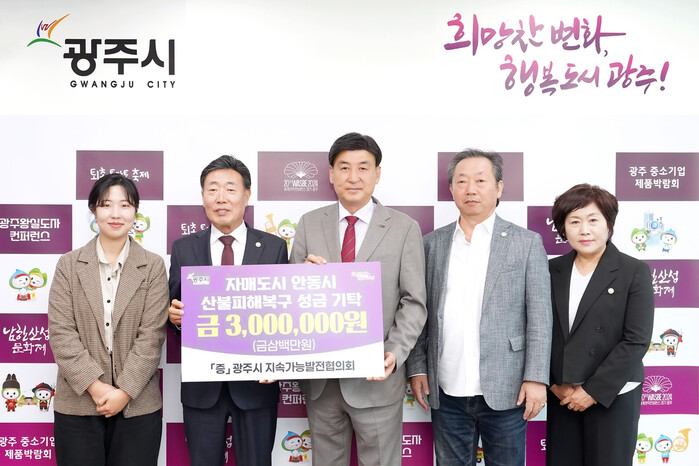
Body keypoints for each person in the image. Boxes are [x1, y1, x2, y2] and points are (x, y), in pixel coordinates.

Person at [406, 149, 552, 466]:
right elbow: (418, 311)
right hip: (446, 389)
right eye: (462, 181)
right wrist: (417, 367)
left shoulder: (526, 243)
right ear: (451, 189)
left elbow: (540, 318)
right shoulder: (431, 244)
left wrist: (536, 378)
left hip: (508, 388)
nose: (470, 189)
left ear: (498, 187)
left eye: (481, 180)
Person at [290, 132, 427, 465]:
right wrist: (303, 279)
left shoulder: (404, 228)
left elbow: (413, 301)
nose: (353, 177)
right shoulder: (309, 224)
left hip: (376, 379)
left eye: (363, 168)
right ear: (331, 174)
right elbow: (291, 297)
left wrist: (394, 352)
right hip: (322, 381)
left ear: (377, 173)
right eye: (344, 167)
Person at [168, 155, 288, 466]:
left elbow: (285, 314)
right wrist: (175, 319)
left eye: (230, 189)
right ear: (203, 197)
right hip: (202, 388)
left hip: (257, 386)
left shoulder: (274, 247)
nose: (221, 198)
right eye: (213, 189)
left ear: (247, 195)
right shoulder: (184, 248)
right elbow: (174, 311)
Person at [48, 173, 168, 466]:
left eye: (125, 205)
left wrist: (124, 392)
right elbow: (62, 334)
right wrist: (97, 386)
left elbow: (152, 336)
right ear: (94, 210)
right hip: (78, 403)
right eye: (106, 205)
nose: (116, 214)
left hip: (137, 404)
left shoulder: (153, 266)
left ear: (135, 211)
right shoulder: (68, 265)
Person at [546, 184, 654, 466]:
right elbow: (541, 331)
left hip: (613, 394)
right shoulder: (551, 270)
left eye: (593, 220)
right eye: (574, 222)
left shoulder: (633, 271)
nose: (584, 230)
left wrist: (592, 391)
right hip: (563, 394)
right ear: (563, 228)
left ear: (609, 224)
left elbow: (636, 340)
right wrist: (554, 382)